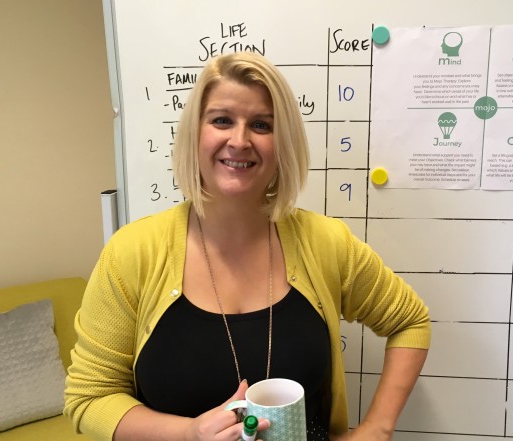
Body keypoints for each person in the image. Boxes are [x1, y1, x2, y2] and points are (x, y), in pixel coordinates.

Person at [64, 52, 431, 441]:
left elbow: (410, 322)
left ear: (282, 144)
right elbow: (90, 398)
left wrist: (377, 428)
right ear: (195, 134)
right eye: (222, 120)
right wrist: (189, 433)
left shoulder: (326, 243)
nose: (239, 141)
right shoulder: (131, 253)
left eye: (261, 125)